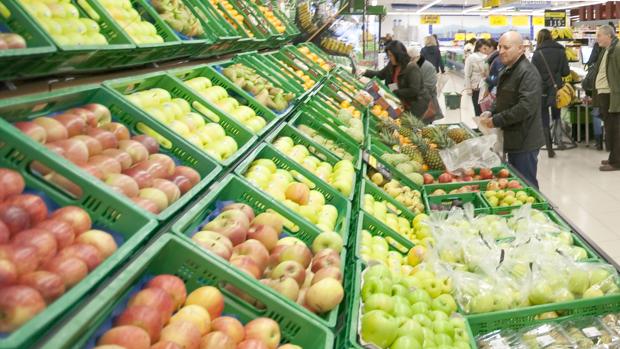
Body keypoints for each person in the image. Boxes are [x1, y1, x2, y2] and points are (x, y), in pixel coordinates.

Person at [480, 31, 545, 188]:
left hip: (525, 139)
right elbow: (504, 98)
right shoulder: (508, 69)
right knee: (516, 182)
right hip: (513, 136)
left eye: (506, 47)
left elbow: (525, 107)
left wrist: (496, 120)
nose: (501, 51)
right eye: (499, 46)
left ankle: (536, 211)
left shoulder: (527, 72)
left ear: (521, 48)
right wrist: (491, 111)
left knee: (526, 184)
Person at [531, 28, 570, 158]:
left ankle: (549, 148)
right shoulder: (561, 50)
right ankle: (559, 141)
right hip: (557, 88)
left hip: (542, 90)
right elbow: (566, 72)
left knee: (544, 117)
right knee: (557, 114)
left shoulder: (537, 54)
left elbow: (533, 74)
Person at [364, 41, 430, 117]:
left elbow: (414, 90)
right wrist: (364, 72)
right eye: (388, 56)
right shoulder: (392, 65)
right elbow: (380, 75)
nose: (390, 58)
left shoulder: (412, 67)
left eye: (391, 56)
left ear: (398, 55)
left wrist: (394, 92)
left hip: (414, 106)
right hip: (400, 103)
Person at [592, 24, 620, 171]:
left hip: (612, 95)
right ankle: (613, 158)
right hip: (604, 94)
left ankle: (616, 162)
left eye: (599, 35)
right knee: (610, 128)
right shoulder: (607, 50)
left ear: (608, 35)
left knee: (616, 129)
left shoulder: (617, 49)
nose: (597, 39)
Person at [408, 46, 443, 122]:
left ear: (417, 57)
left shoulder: (428, 67)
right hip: (414, 104)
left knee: (424, 127)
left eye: (410, 59)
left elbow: (429, 86)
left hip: (426, 105)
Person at [464, 39, 492, 116]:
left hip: (479, 87)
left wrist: (469, 89)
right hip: (481, 87)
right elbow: (467, 74)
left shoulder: (488, 57)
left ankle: (480, 126)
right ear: (479, 48)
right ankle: (481, 126)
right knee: (482, 109)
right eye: (484, 48)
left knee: (479, 109)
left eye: (487, 48)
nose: (486, 50)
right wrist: (468, 89)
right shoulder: (472, 58)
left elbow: (467, 74)